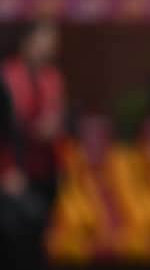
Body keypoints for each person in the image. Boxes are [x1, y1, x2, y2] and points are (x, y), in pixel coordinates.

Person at [0, 20, 66, 270]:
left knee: (39, 238)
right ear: (26, 42)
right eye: (44, 39)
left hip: (46, 169)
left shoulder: (53, 77)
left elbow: (57, 112)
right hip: (13, 173)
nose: (50, 46)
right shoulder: (7, 77)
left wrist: (54, 126)